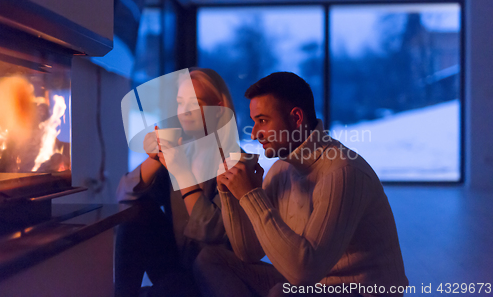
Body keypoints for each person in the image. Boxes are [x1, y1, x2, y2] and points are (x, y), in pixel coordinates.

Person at [194, 72, 409, 297]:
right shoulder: (282, 169)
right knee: (211, 259)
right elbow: (249, 252)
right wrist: (229, 192)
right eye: (254, 122)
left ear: (296, 118)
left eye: (263, 121)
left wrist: (252, 195)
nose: (255, 133)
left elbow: (303, 273)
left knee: (281, 293)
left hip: (364, 293)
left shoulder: (343, 171)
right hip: (311, 287)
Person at [115, 68, 240, 297]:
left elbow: (212, 231)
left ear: (220, 108)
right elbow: (124, 197)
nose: (185, 111)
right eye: (180, 103)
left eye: (196, 103)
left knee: (170, 289)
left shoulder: (237, 163)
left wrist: (182, 172)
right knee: (139, 211)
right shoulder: (183, 152)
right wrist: (153, 160)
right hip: (176, 265)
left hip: (217, 272)